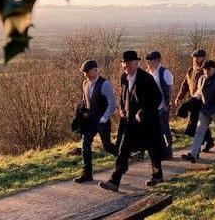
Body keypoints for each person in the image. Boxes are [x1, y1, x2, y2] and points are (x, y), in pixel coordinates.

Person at [99, 51, 164, 191]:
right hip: (130, 122)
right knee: (123, 149)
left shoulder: (145, 78)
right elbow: (123, 96)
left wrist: (143, 111)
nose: (125, 66)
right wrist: (122, 109)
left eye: (128, 63)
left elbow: (157, 98)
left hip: (148, 122)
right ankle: (114, 181)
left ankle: (157, 175)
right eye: (124, 63)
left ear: (136, 63)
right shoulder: (124, 77)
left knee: (153, 148)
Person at [74, 60, 118, 183]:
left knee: (107, 146)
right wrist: (83, 113)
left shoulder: (105, 84)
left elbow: (112, 104)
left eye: (87, 72)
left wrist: (105, 118)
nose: (86, 75)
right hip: (90, 121)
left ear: (96, 70)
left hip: (103, 121)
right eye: (84, 73)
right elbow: (86, 100)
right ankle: (87, 174)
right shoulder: (85, 83)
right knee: (85, 145)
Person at [182, 60, 215, 163]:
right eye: (204, 69)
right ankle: (193, 154)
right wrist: (189, 102)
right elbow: (199, 94)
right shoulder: (201, 79)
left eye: (208, 68)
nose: (206, 71)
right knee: (199, 130)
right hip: (205, 109)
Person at [175, 49, 215, 152]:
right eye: (194, 57)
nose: (196, 59)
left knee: (198, 122)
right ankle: (208, 141)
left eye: (198, 57)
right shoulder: (190, 70)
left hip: (203, 101)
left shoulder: (206, 70)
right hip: (193, 100)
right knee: (199, 122)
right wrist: (180, 97)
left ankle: (197, 148)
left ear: (203, 58)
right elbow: (185, 85)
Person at [146, 51, 174, 160]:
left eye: (150, 61)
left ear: (157, 60)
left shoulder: (164, 72)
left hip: (163, 106)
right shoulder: (148, 72)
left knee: (164, 128)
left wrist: (168, 103)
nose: (148, 63)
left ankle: (169, 150)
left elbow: (170, 89)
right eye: (147, 61)